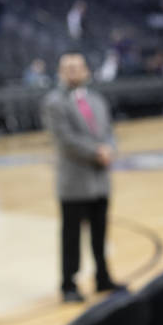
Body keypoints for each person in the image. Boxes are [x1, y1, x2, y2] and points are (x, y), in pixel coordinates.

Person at [41, 53, 123, 303]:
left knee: (100, 232)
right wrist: (97, 152)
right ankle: (69, 284)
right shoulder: (54, 102)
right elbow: (65, 140)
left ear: (86, 71)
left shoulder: (97, 100)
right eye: (67, 68)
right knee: (71, 236)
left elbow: (108, 132)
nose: (73, 72)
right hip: (74, 181)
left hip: (99, 180)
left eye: (77, 67)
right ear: (60, 72)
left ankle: (103, 277)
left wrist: (109, 148)